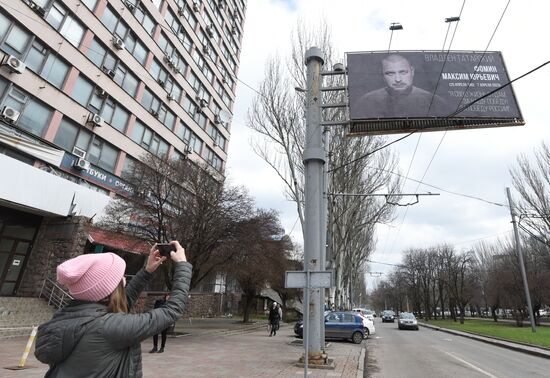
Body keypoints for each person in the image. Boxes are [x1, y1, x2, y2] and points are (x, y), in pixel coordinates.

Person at [34, 241, 192, 378]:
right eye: (120, 277)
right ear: (108, 289)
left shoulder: (68, 317)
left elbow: (119, 306)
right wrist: (182, 266)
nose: (124, 278)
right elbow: (172, 310)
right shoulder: (107, 328)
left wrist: (147, 271)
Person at [354, 54, 448, 118]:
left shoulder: (435, 101)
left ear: (412, 71)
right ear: (382, 76)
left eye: (403, 72)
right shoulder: (366, 102)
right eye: (390, 74)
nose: (398, 79)